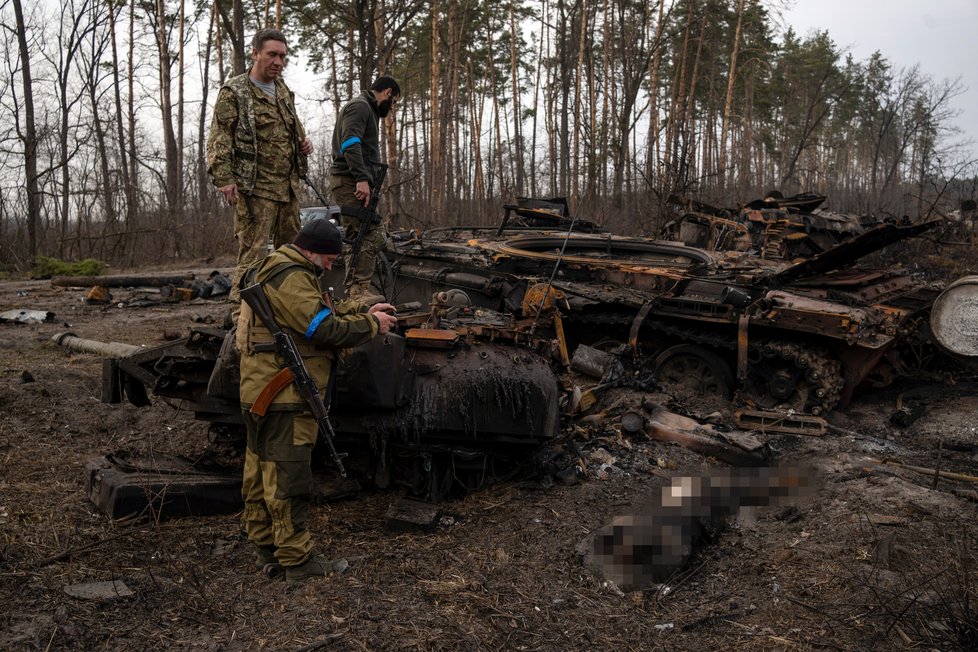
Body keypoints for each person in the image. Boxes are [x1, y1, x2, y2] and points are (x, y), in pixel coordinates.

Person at [237, 218, 398, 583]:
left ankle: (267, 547)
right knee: (288, 477)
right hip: (284, 394)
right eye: (328, 258)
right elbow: (320, 328)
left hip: (262, 389)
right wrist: (373, 328)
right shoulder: (290, 275)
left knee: (262, 473)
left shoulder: (276, 268)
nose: (330, 266)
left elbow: (317, 313)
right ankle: (296, 560)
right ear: (310, 250)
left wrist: (362, 313)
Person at [206, 28, 314, 313]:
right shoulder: (235, 92)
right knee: (253, 254)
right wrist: (225, 179)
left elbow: (294, 130)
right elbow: (219, 138)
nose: (278, 61)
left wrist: (303, 144)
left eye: (282, 56)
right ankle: (240, 316)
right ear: (255, 54)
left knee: (291, 253)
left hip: (287, 188)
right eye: (272, 55)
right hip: (254, 189)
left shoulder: (283, 92)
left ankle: (286, 308)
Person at [329, 76, 401, 303]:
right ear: (387, 92)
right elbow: (350, 141)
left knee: (357, 235)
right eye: (394, 102)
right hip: (350, 180)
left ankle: (355, 291)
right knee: (372, 233)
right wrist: (361, 178)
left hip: (354, 180)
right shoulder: (360, 106)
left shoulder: (367, 109)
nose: (392, 108)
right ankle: (357, 291)